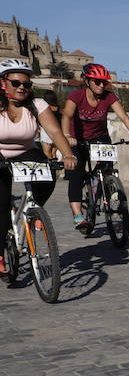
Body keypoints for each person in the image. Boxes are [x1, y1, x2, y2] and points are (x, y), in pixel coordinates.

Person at [0, 59, 76, 273]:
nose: (22, 87)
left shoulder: (36, 104)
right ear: (3, 83)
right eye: (15, 83)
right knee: (1, 205)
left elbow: (54, 132)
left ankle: (32, 212)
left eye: (26, 84)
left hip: (25, 150)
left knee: (48, 175)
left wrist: (68, 154)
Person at [61, 63, 129, 231]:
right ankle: (78, 215)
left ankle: (113, 202)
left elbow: (123, 117)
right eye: (97, 82)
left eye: (104, 82)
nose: (101, 85)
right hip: (77, 139)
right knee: (76, 175)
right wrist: (67, 136)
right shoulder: (76, 96)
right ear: (87, 81)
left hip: (99, 137)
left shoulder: (109, 97)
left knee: (108, 170)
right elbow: (67, 115)